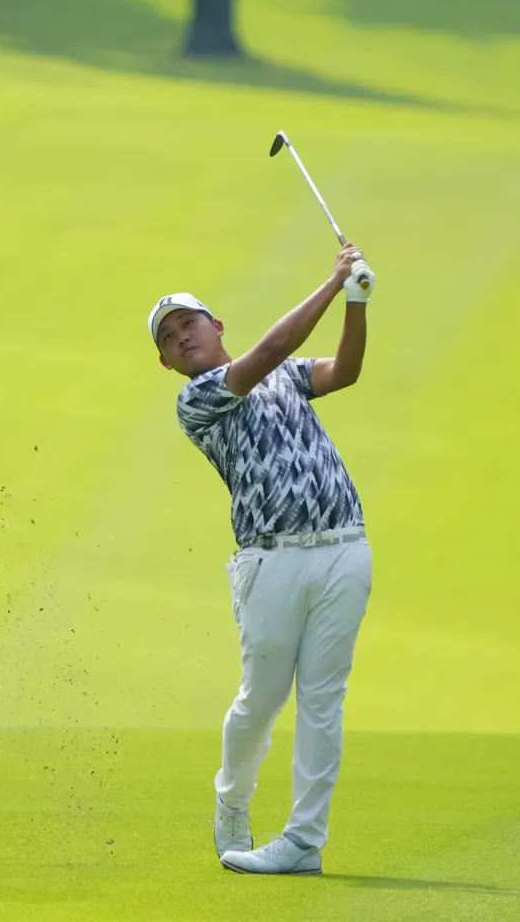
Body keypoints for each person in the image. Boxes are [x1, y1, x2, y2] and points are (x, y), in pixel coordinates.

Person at [148, 243, 376, 875]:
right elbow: (270, 350)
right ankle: (232, 802)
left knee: (323, 703)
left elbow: (345, 371)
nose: (181, 336)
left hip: (344, 548)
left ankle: (303, 842)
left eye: (189, 322)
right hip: (271, 561)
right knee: (262, 700)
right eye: (168, 337)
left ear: (215, 325)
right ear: (166, 362)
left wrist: (356, 303)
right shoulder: (198, 400)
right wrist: (333, 282)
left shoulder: (287, 374)